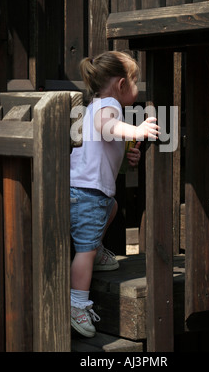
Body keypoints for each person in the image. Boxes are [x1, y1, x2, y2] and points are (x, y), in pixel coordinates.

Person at [70, 50, 160, 338]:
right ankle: (77, 304)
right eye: (136, 83)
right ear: (122, 84)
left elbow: (104, 142)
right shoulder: (109, 106)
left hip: (86, 191)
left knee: (112, 207)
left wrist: (127, 155)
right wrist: (138, 130)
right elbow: (107, 128)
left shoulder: (96, 103)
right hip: (87, 192)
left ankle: (94, 254)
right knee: (84, 250)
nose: (138, 88)